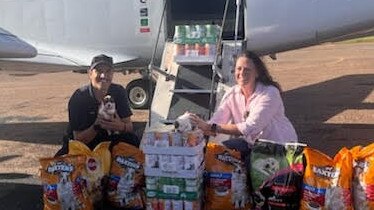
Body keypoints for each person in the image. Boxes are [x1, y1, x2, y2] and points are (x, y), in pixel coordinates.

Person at [190, 50, 297, 155]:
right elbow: (215, 125)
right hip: (254, 145)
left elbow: (251, 127)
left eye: (247, 70)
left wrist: (210, 127)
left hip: (280, 148)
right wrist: (195, 123)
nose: (242, 73)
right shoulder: (232, 93)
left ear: (257, 73)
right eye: (239, 69)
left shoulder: (270, 92)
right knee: (219, 153)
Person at [56, 54, 139, 156]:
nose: (104, 75)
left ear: (113, 74)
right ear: (90, 73)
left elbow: (129, 127)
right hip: (85, 145)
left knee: (133, 141)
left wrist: (120, 126)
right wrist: (97, 125)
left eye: (108, 71)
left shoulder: (119, 92)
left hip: (109, 141)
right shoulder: (79, 97)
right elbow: (78, 139)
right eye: (99, 71)